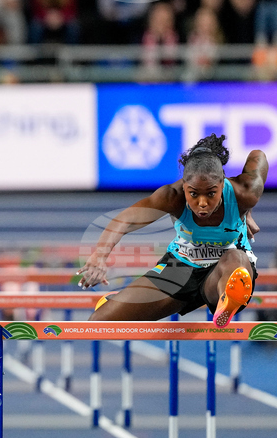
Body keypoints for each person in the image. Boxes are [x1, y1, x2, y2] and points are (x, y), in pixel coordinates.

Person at [79, 135, 266, 328]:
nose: (202, 203)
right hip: (181, 266)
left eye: (211, 193)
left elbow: (258, 155)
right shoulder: (171, 196)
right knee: (99, 323)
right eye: (193, 194)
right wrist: (100, 255)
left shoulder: (245, 193)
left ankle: (227, 302)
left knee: (235, 259)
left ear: (222, 184)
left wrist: (245, 210)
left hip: (223, 271)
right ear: (184, 187)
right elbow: (126, 219)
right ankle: (118, 303)